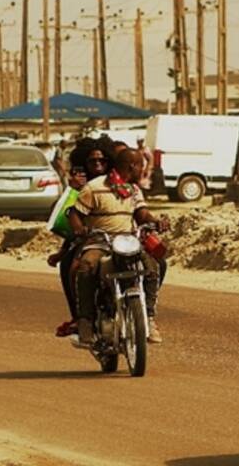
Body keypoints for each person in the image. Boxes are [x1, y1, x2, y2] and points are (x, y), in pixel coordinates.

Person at [69, 148, 167, 346]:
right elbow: (74, 214)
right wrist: (80, 229)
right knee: (86, 266)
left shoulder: (133, 189)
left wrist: (156, 221)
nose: (143, 169)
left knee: (152, 267)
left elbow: (142, 214)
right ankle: (85, 321)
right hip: (100, 242)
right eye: (141, 165)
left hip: (128, 242)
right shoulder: (94, 187)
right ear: (132, 166)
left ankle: (148, 317)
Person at [46, 137, 108, 338]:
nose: (98, 165)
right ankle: (80, 317)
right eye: (92, 162)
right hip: (92, 239)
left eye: (102, 161)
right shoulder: (83, 187)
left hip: (122, 238)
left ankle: (147, 315)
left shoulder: (120, 183)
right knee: (68, 266)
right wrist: (62, 251)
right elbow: (72, 220)